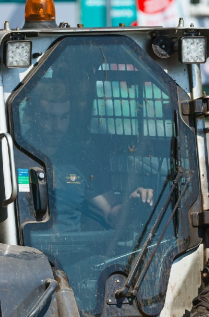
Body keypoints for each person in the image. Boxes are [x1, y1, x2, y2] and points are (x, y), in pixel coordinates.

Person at [25, 77, 153, 230]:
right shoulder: (16, 154)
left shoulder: (80, 158)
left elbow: (112, 215)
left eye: (64, 117)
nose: (57, 127)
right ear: (31, 116)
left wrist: (131, 204)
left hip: (72, 250)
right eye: (48, 117)